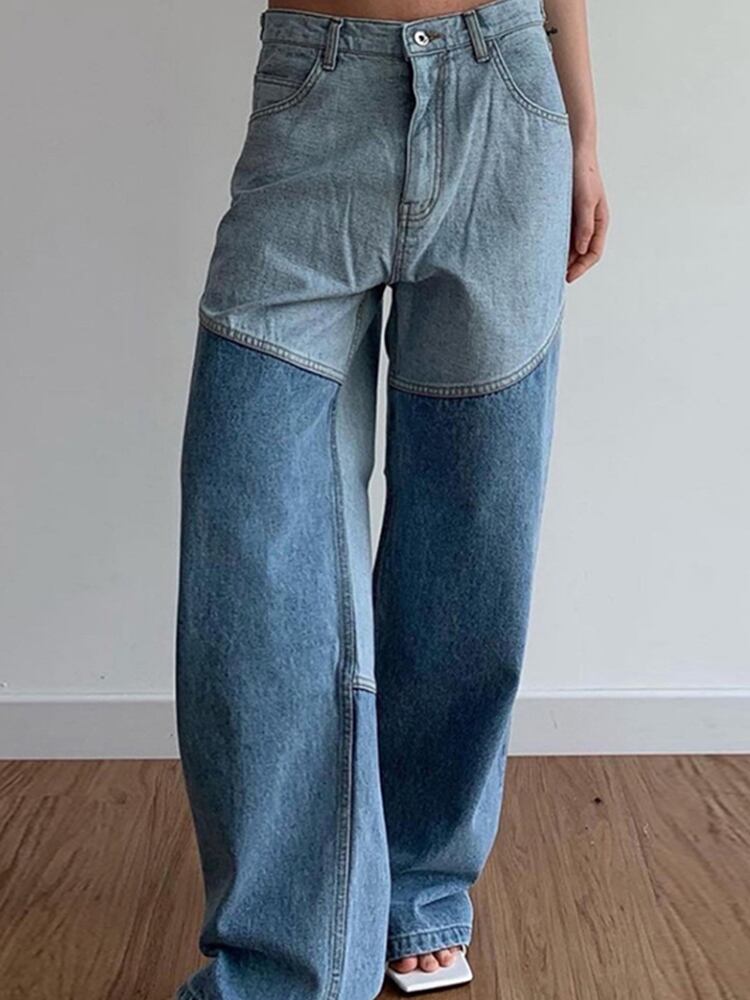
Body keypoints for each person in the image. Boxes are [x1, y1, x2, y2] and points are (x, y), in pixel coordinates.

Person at [174, 0, 608, 995]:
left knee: (471, 532)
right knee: (251, 538)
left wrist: (584, 132)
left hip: (505, 91)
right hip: (314, 92)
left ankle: (419, 882)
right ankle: (288, 953)